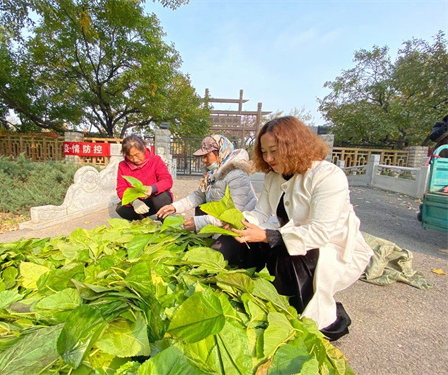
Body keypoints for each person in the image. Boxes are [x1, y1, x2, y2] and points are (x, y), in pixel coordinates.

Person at [213, 116, 373, 341]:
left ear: (294, 146)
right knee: (230, 242)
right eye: (264, 152)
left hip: (327, 248)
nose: (269, 158)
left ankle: (325, 316)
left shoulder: (328, 176)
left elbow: (319, 233)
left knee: (288, 259)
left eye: (274, 151)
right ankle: (239, 293)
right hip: (286, 238)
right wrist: (239, 222)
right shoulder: (274, 176)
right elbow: (260, 213)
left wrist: (267, 236)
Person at [156, 135, 257, 231]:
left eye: (206, 156)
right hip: (221, 222)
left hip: (238, 226)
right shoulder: (213, 173)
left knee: (217, 248)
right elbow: (199, 196)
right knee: (201, 206)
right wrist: (174, 207)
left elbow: (234, 215)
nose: (204, 160)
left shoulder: (237, 175)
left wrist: (197, 223)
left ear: (220, 153)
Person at [115, 135, 173, 220]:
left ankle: (164, 220)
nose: (135, 159)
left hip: (155, 199)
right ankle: (142, 220)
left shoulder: (155, 160)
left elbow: (167, 180)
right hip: (139, 202)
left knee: (162, 197)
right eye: (130, 156)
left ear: (143, 149)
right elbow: (121, 189)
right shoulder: (122, 166)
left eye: (137, 155)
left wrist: (152, 188)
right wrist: (134, 201)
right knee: (121, 208)